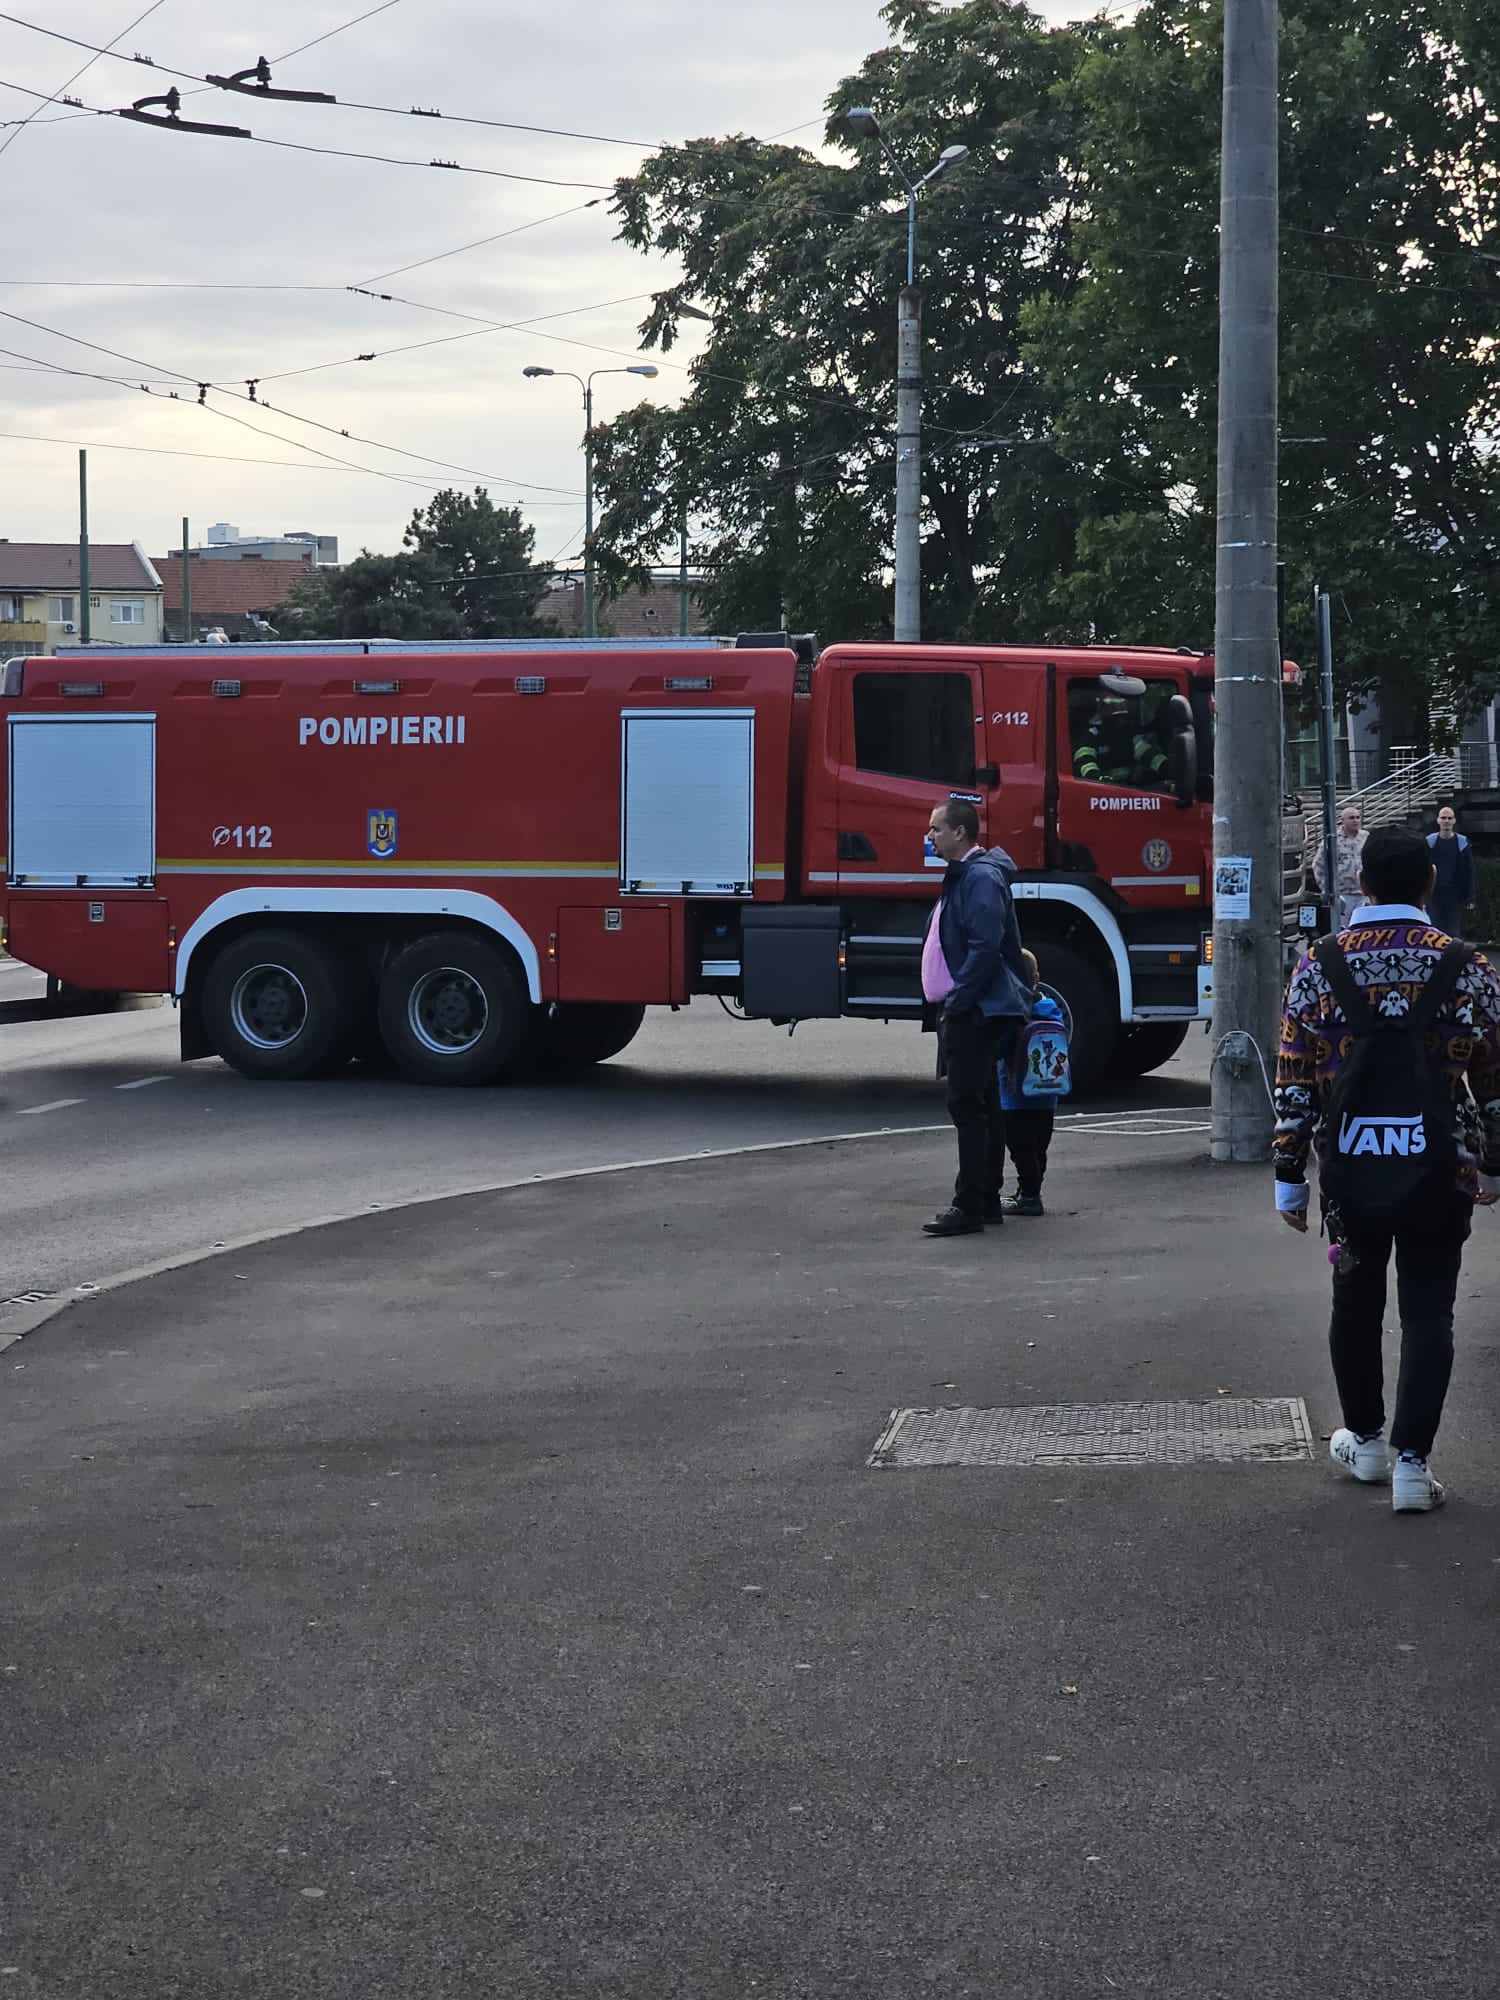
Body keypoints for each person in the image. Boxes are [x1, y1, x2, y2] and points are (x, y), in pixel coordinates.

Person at [1273, 825, 1500, 1511]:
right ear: (1430, 881)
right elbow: (1494, 1079)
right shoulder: (1467, 966)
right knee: (1430, 1308)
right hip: (1440, 1169)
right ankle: (1412, 1464)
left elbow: (1294, 1080)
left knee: (1356, 1301)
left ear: (1361, 884)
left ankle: (1365, 1442)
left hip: (1351, 1169)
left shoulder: (1319, 965)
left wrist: (1290, 1176)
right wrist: (1493, 1164)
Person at [919, 799, 1032, 1237]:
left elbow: (984, 948)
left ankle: (969, 1204)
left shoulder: (979, 878)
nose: (929, 836)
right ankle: (985, 1199)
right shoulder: (966, 876)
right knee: (982, 1102)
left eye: (935, 829)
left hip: (974, 1010)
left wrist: (959, 1001)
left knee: (967, 1105)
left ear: (960, 833)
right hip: (971, 1007)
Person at [998, 948, 1067, 1216]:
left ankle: (1028, 1196)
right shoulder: (1051, 1009)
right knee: (1039, 1148)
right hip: (1048, 1093)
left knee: (1020, 1148)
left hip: (1015, 1095)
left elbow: (1003, 1047)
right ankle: (1031, 1191)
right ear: (1037, 977)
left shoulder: (1013, 1009)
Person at [1072, 691, 1170, 791]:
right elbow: (1085, 762)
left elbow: (1147, 753)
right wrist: (1098, 779)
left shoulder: (1126, 732)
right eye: (1117, 717)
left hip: (1127, 788)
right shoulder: (1091, 735)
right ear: (1105, 713)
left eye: (1123, 717)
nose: (1121, 721)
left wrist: (1167, 768)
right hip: (1102, 791)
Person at [1312, 805, 1367, 928]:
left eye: (1358, 817)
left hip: (1363, 894)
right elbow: (1318, 865)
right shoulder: (1333, 840)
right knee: (1342, 930)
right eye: (1351, 818)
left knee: (1361, 929)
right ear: (1342, 820)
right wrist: (1327, 888)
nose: (1356, 821)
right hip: (1342, 894)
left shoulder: (1366, 837)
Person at [1426, 805, 1474, 939]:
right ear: (1438, 820)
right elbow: (1424, 869)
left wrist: (1470, 896)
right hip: (1434, 894)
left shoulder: (1462, 842)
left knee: (1453, 932)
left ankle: (1453, 959)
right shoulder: (1430, 842)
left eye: (1449, 818)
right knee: (1434, 931)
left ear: (1454, 821)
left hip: (1455, 895)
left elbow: (1469, 870)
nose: (1446, 821)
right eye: (1443, 818)